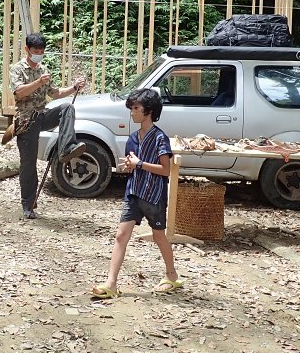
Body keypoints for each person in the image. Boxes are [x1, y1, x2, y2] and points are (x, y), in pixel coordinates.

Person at [90, 88, 181, 299]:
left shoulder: (160, 138)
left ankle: (172, 275)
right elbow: (133, 166)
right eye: (131, 108)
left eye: (136, 108)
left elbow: (165, 170)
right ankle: (111, 283)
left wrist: (139, 164)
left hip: (154, 195)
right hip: (133, 193)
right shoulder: (132, 138)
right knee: (121, 236)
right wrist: (129, 166)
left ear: (149, 110)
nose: (132, 112)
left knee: (158, 236)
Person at [9, 33, 87, 219]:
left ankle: (67, 148)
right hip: (26, 120)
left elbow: (55, 93)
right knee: (28, 163)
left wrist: (73, 87)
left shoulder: (43, 69)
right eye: (35, 51)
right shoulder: (17, 69)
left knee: (67, 108)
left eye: (41, 51)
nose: (39, 54)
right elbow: (19, 92)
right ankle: (28, 204)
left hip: (42, 115)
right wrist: (38, 82)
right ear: (27, 50)